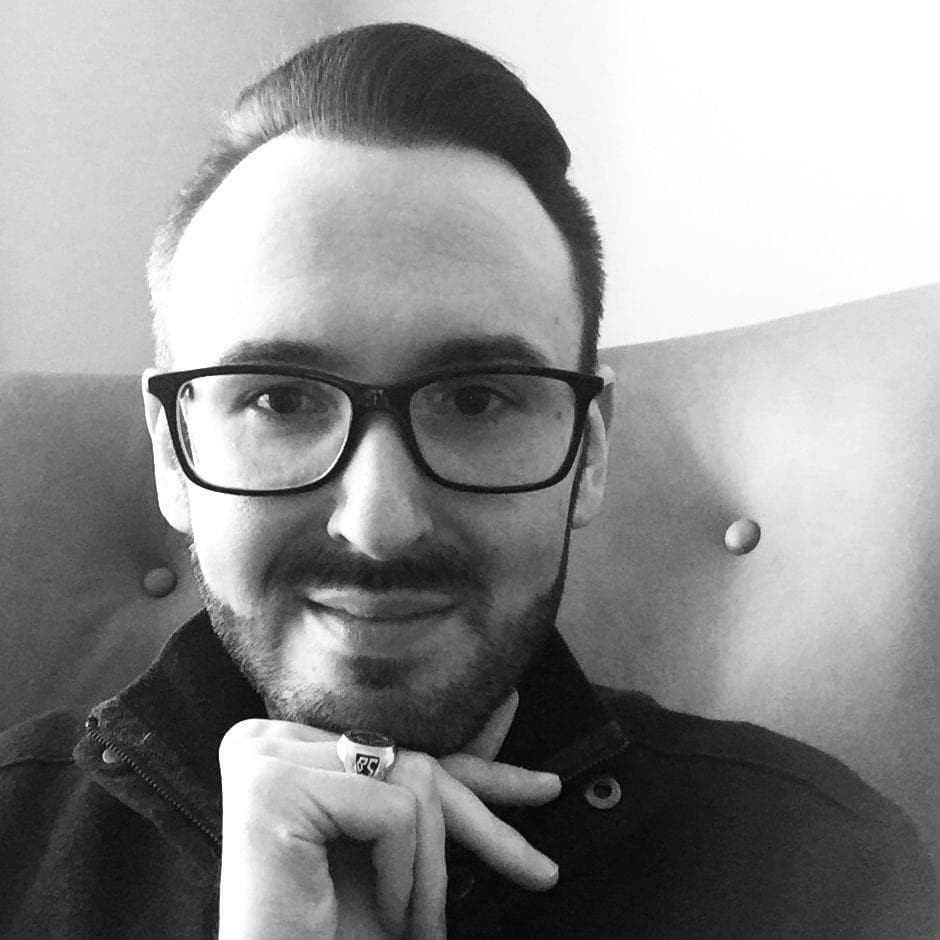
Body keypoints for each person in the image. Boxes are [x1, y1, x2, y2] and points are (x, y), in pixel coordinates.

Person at [0, 21, 935, 939]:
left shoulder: (823, 871)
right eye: (280, 400)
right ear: (172, 454)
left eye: (477, 400)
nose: (379, 525)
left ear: (590, 452)